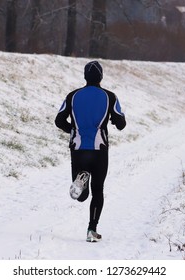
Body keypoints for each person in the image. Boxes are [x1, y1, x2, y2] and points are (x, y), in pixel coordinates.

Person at [55, 60, 126, 242]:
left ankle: (82, 176)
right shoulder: (110, 97)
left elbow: (59, 120)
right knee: (98, 190)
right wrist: (114, 120)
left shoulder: (72, 96)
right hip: (99, 149)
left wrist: (72, 129)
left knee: (81, 195)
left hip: (78, 148)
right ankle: (91, 230)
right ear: (101, 76)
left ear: (85, 76)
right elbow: (121, 124)